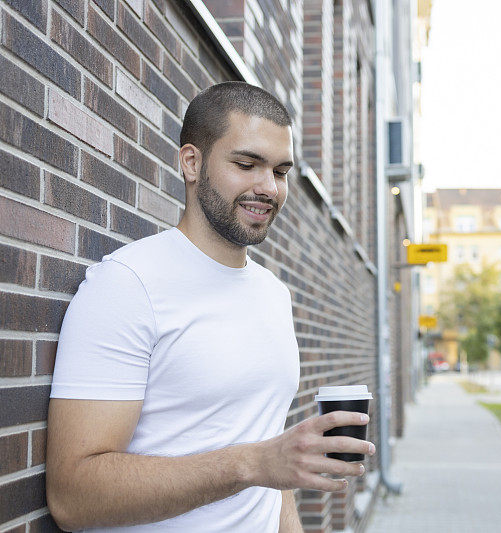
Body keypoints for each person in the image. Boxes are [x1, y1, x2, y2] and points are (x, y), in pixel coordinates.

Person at [45, 82, 374, 532]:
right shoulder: (127, 285)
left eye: (280, 172)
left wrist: (271, 477)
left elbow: (270, 467)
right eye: (246, 164)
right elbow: (72, 495)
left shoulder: (273, 295)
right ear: (191, 162)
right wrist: (253, 463)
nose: (268, 188)